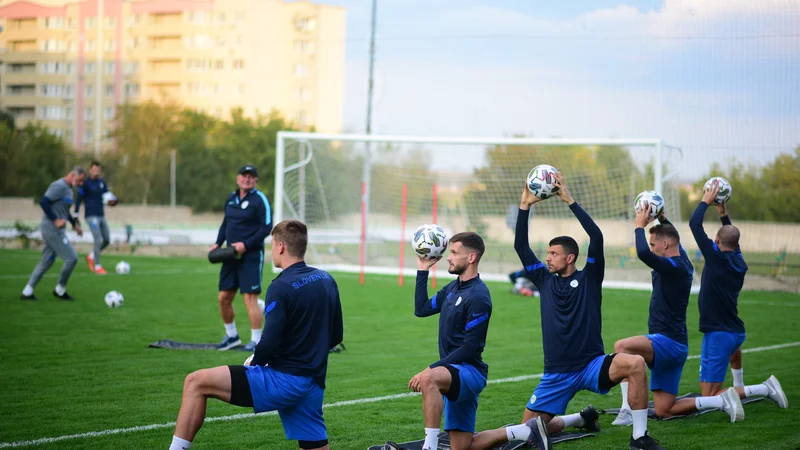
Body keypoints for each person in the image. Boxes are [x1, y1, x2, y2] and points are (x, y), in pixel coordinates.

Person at [470, 173, 663, 450]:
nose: (547, 257)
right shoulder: (542, 279)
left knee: (634, 364)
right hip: (556, 374)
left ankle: (639, 438)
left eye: (553, 253)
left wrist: (568, 199)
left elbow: (596, 235)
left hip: (591, 365)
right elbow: (520, 246)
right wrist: (525, 206)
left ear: (570, 257)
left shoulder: (591, 277)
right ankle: (579, 419)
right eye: (547, 253)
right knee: (531, 429)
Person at [169, 220, 343, 450]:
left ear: (280, 246)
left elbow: (269, 342)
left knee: (195, 382)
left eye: (272, 245)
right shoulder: (326, 279)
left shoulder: (280, 287)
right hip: (313, 383)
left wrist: (257, 360)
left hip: (285, 382)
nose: (272, 251)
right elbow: (336, 335)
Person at [668, 181, 788, 419]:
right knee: (734, 353)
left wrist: (705, 200)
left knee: (709, 394)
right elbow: (732, 238)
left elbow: (694, 224)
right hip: (734, 331)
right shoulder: (739, 261)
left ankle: (766, 388)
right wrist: (723, 215)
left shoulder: (715, 258)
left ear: (717, 242)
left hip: (719, 333)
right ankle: (742, 384)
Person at [611, 204, 720, 422]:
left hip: (666, 343)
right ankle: (719, 401)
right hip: (677, 346)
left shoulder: (675, 267)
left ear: (666, 244)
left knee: (622, 347)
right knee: (664, 409)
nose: (651, 248)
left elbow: (642, 253)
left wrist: (639, 226)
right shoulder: (684, 262)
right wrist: (662, 218)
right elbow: (670, 237)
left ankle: (626, 411)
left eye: (654, 244)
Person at [384, 232, 493, 450]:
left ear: (471, 258)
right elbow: (421, 309)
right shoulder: (452, 289)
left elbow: (470, 348)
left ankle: (430, 446)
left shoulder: (479, 296)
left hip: (470, 372)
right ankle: (520, 431)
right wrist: (423, 270)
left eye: (453, 252)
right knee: (463, 446)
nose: (448, 257)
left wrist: (431, 368)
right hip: (453, 371)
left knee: (429, 378)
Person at [212, 165, 273, 351]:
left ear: (255, 181)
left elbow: (267, 227)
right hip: (230, 255)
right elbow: (225, 224)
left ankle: (257, 341)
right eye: (244, 176)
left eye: (251, 177)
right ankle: (232, 337)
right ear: (238, 178)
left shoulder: (260, 199)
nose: (247, 179)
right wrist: (217, 243)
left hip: (252, 255)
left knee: (250, 298)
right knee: (224, 297)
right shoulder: (231, 198)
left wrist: (245, 244)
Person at [20, 167, 86, 301]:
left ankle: (27, 292)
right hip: (51, 229)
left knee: (47, 261)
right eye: (80, 180)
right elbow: (44, 202)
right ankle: (60, 290)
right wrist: (55, 220)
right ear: (73, 175)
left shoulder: (68, 190)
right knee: (72, 258)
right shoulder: (59, 186)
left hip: (57, 229)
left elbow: (65, 211)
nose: (81, 184)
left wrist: (74, 224)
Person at [75, 161, 116, 274]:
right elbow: (78, 199)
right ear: (90, 170)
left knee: (107, 240)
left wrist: (113, 202)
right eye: (94, 169)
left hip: (101, 215)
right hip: (90, 216)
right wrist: (76, 215)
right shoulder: (85, 183)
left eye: (98, 169)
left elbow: (108, 198)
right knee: (97, 239)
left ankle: (91, 256)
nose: (97, 171)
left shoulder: (102, 183)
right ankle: (98, 267)